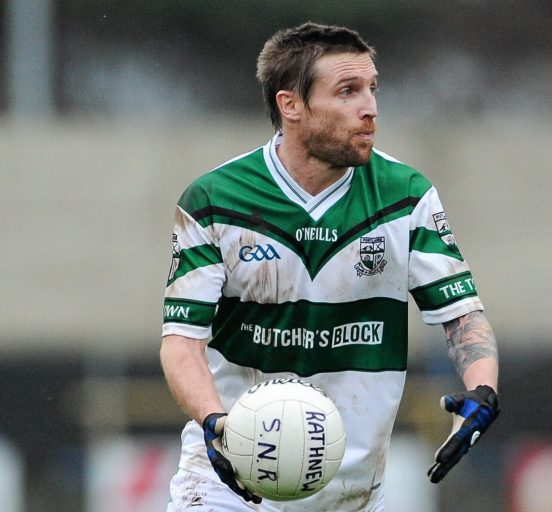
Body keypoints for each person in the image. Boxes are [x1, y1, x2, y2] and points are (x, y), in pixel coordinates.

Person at [160, 21, 500, 512]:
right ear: (290, 105)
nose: (370, 108)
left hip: (349, 494)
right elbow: (182, 344)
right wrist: (215, 421)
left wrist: (482, 388)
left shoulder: (405, 196)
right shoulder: (215, 200)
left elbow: (462, 316)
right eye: (347, 91)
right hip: (228, 483)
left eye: (371, 89)